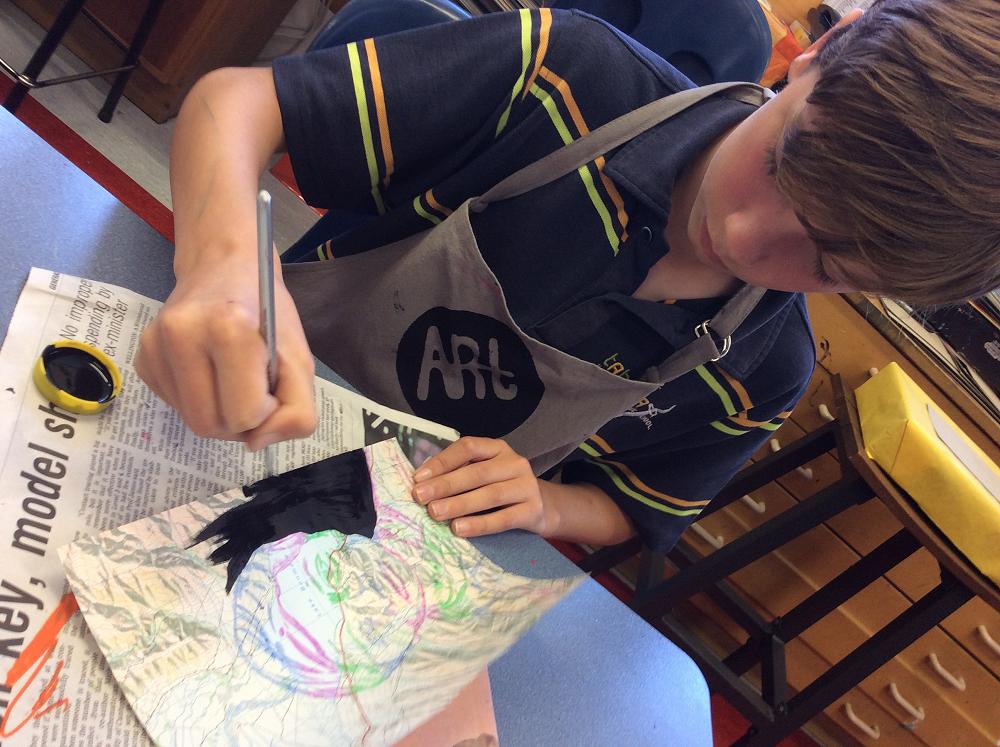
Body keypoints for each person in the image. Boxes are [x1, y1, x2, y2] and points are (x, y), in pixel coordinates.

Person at [135, 0, 1000, 553]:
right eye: (783, 161)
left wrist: (546, 504)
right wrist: (223, 266)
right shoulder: (563, 79)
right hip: (230, 409)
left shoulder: (764, 369)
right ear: (823, 49)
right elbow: (232, 105)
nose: (743, 240)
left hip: (389, 543)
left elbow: (636, 507)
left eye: (825, 262)